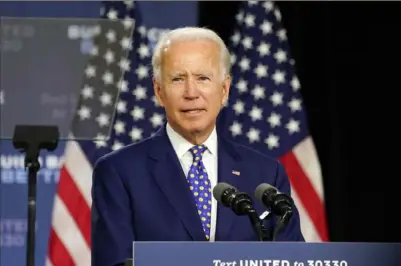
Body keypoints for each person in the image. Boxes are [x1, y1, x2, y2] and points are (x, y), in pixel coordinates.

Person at [91, 26, 305, 266]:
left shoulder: (266, 174)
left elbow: (292, 260)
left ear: (224, 90)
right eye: (178, 79)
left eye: (203, 78)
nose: (191, 93)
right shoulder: (119, 172)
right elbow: (114, 262)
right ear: (159, 91)